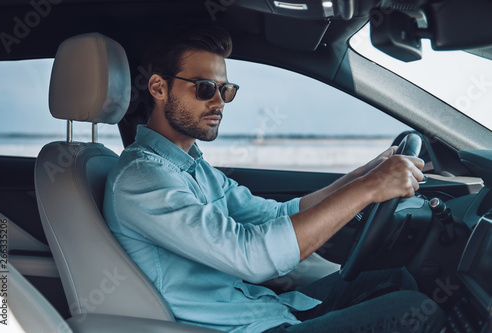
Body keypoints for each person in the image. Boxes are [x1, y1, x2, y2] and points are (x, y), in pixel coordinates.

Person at [103, 25, 446, 332]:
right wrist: (369, 189)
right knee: (414, 311)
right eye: (206, 88)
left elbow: (277, 215)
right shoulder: (143, 178)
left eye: (227, 90)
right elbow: (251, 259)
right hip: (243, 327)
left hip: (261, 309)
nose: (219, 102)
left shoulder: (192, 167)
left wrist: (361, 175)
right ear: (159, 88)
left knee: (396, 280)